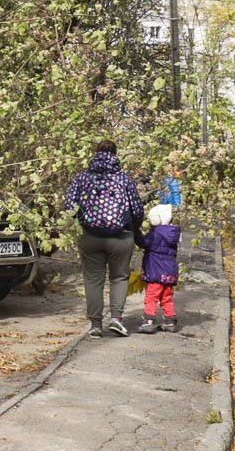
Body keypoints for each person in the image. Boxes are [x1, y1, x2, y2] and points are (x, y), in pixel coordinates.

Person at [66, 140, 145, 338]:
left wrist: (82, 220)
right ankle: (116, 319)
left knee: (93, 280)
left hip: (90, 236)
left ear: (95, 154)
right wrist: (135, 229)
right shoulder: (124, 179)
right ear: (115, 154)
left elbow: (69, 206)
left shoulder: (82, 178)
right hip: (121, 237)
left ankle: (95, 325)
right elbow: (136, 209)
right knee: (119, 277)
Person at [136, 204, 181, 333]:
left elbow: (143, 243)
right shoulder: (172, 234)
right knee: (166, 298)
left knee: (151, 297)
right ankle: (170, 321)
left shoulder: (155, 234)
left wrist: (136, 232)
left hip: (156, 273)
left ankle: (149, 321)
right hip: (170, 273)